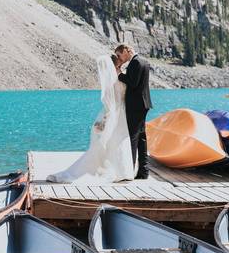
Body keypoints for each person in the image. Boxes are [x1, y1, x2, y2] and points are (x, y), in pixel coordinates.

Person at [47, 54, 134, 183]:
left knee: (107, 142)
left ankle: (110, 169)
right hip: (122, 114)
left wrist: (105, 119)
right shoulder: (122, 78)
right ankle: (123, 171)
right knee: (118, 141)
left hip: (113, 113)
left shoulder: (111, 82)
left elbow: (109, 103)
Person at [114, 44, 152, 179]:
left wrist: (119, 74)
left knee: (133, 137)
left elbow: (133, 82)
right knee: (141, 138)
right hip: (143, 104)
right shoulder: (144, 61)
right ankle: (143, 171)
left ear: (126, 51)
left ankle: (128, 171)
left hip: (135, 106)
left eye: (119, 55)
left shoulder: (135, 62)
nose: (120, 58)